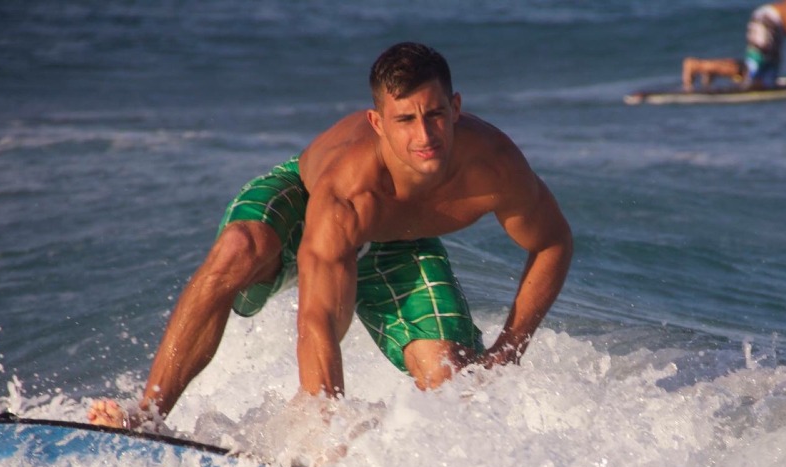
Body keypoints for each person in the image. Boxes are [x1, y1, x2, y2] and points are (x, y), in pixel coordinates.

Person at [89, 42, 572, 430]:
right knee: (240, 249)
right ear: (377, 123)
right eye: (405, 120)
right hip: (306, 199)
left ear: (456, 107)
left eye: (435, 115)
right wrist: (326, 423)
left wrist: (508, 350)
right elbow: (319, 317)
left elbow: (552, 243)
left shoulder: (495, 166)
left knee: (450, 373)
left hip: (397, 237)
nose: (424, 135)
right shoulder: (347, 189)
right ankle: (147, 416)